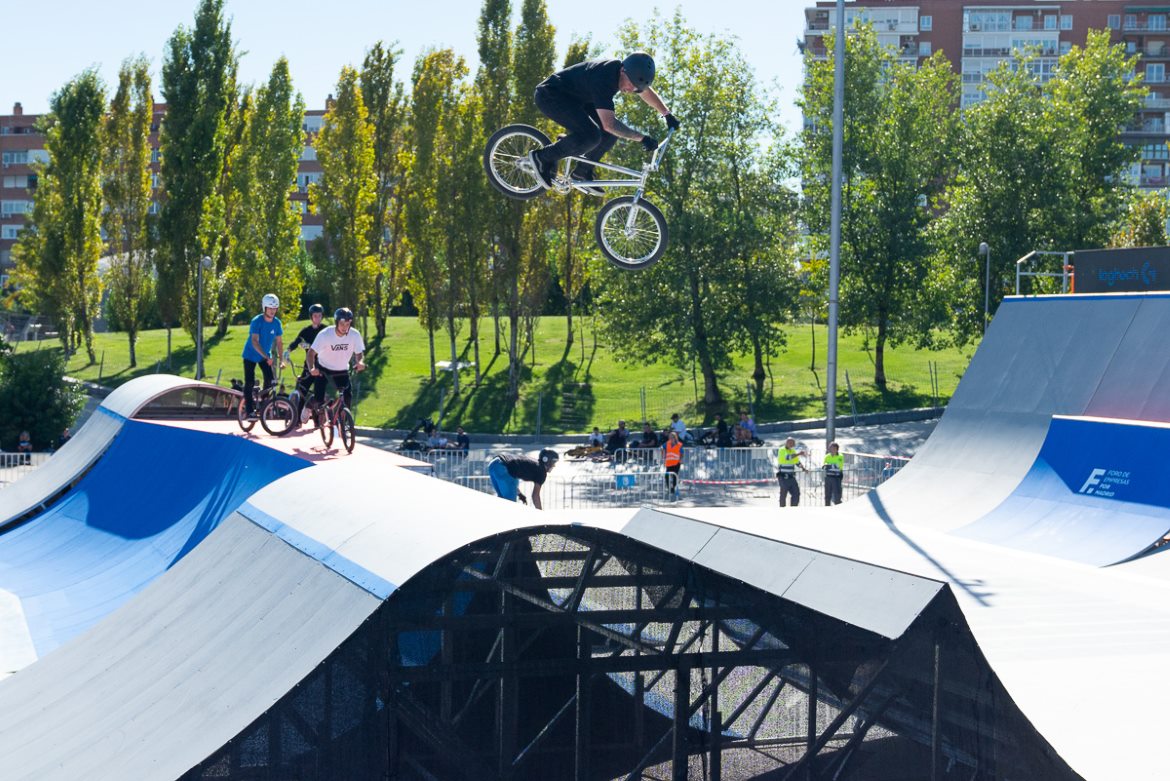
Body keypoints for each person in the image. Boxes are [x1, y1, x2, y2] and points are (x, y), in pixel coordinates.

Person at [527, 52, 680, 194]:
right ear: (623, 71)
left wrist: (666, 114)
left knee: (609, 135)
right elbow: (610, 124)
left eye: (635, 89)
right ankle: (542, 157)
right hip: (551, 95)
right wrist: (642, 138)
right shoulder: (604, 79)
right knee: (591, 136)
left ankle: (582, 171)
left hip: (577, 99)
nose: (631, 90)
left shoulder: (624, 72)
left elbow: (645, 91)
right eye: (631, 84)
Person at [307, 307, 366, 412]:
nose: (345, 327)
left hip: (342, 370)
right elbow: (310, 353)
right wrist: (312, 369)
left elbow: (359, 353)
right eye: (342, 324)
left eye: (348, 324)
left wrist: (360, 362)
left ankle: (342, 424)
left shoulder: (355, 335)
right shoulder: (325, 334)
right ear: (336, 322)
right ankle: (308, 407)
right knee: (318, 399)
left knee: (347, 398)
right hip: (324, 369)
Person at [241, 294, 285, 420]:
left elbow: (279, 342)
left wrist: (282, 360)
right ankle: (249, 411)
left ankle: (263, 404)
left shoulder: (277, 323)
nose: (273, 311)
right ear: (264, 308)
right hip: (250, 354)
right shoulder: (256, 321)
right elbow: (255, 341)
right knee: (249, 382)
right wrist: (267, 356)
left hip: (265, 356)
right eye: (270, 308)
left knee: (271, 381)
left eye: (275, 308)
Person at [284, 303, 329, 424]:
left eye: (319, 316)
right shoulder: (306, 331)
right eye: (315, 316)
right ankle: (297, 419)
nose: (317, 318)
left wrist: (310, 346)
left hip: (322, 365)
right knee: (302, 389)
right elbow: (297, 341)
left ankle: (317, 420)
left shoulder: (325, 330)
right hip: (308, 365)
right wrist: (288, 351)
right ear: (311, 317)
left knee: (319, 394)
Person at [487, 449, 559, 510]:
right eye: (553, 463)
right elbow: (535, 496)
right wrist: (540, 513)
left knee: (502, 502)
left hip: (494, 464)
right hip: (503, 467)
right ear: (547, 460)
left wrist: (519, 494)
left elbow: (512, 479)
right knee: (510, 506)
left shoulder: (534, 464)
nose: (554, 466)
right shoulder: (542, 472)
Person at [776, 437, 807, 508]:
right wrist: (799, 453)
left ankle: (793, 508)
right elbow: (788, 457)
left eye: (793, 443)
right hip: (783, 476)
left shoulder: (792, 451)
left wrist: (803, 468)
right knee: (783, 494)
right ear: (787, 442)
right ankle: (782, 509)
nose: (792, 445)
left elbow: (797, 462)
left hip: (791, 477)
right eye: (791, 443)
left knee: (796, 493)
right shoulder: (782, 450)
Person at [662, 429, 683, 500]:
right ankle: (668, 488)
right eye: (670, 437)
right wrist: (663, 453)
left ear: (675, 437)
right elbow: (662, 448)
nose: (670, 438)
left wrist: (680, 460)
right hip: (669, 463)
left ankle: (673, 488)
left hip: (676, 463)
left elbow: (682, 453)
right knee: (666, 476)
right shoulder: (667, 443)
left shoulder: (679, 444)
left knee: (675, 477)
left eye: (672, 437)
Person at [823, 441, 845, 506]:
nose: (830, 449)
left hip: (836, 478)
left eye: (832, 448)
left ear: (836, 449)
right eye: (830, 448)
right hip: (828, 477)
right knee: (827, 495)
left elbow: (839, 467)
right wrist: (831, 466)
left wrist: (829, 465)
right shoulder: (827, 456)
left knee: (837, 495)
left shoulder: (840, 456)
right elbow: (824, 466)